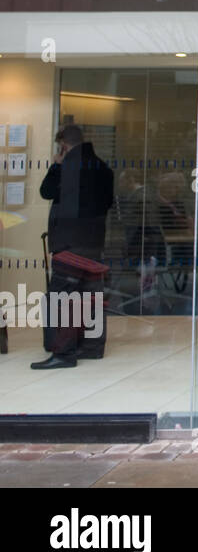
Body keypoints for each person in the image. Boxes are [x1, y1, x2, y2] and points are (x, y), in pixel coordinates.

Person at [33, 124, 115, 369]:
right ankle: (91, 348)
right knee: (91, 295)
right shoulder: (102, 167)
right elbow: (106, 204)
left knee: (61, 297)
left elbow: (46, 191)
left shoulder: (69, 166)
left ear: (64, 145)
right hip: (94, 241)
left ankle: (64, 354)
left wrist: (57, 165)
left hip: (70, 242)